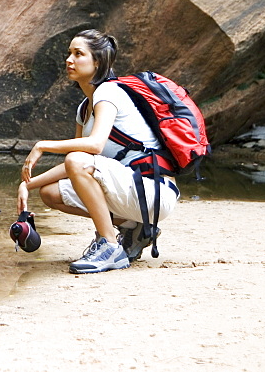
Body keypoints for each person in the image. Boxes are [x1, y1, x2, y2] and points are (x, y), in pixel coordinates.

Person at [17, 29, 180, 274]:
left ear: (97, 62)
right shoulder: (85, 107)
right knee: (50, 193)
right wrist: (27, 186)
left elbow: (92, 147)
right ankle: (133, 227)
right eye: (69, 53)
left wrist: (42, 145)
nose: (69, 60)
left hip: (155, 193)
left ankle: (109, 246)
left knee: (77, 159)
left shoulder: (109, 92)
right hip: (130, 191)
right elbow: (76, 165)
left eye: (78, 54)